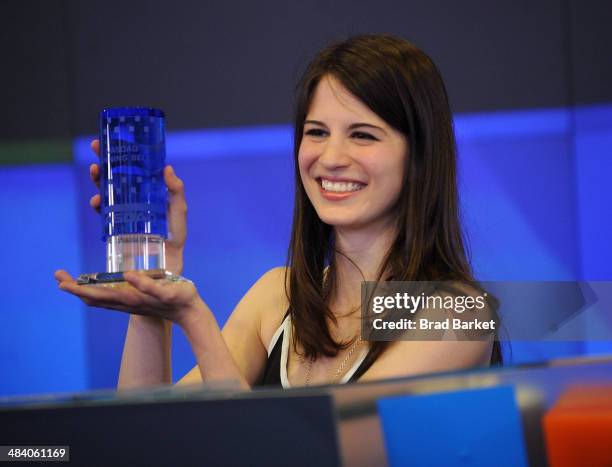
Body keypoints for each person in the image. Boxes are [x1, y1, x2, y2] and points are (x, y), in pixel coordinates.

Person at [55, 34, 500, 390]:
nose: (331, 157)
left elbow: (311, 450)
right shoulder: (277, 295)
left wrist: (195, 318)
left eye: (363, 135)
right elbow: (149, 439)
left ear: (420, 154)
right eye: (317, 132)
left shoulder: (459, 313)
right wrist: (153, 286)